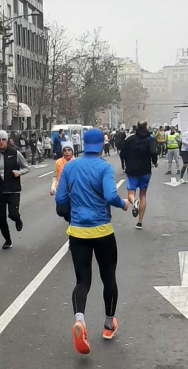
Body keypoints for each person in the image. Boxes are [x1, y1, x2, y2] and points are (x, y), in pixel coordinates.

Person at [54, 128, 128, 355]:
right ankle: (108, 324)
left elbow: (59, 198)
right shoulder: (104, 167)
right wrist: (123, 203)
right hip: (103, 231)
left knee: (82, 281)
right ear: (101, 144)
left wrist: (74, 206)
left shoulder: (70, 166)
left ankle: (80, 321)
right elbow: (109, 195)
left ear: (84, 144)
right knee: (109, 278)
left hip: (77, 232)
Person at [0, 130, 29, 249]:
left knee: (12, 214)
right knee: (0, 217)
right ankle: (8, 240)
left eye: (3, 140)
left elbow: (26, 167)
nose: (1, 142)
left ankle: (18, 219)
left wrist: (19, 172)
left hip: (13, 190)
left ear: (7, 140)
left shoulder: (15, 153)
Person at [121, 121, 158, 229]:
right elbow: (153, 152)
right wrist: (154, 162)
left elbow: (122, 153)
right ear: (146, 128)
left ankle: (133, 201)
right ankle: (140, 222)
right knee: (143, 195)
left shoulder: (130, 139)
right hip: (145, 170)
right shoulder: (150, 139)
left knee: (131, 193)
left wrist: (126, 162)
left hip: (132, 170)